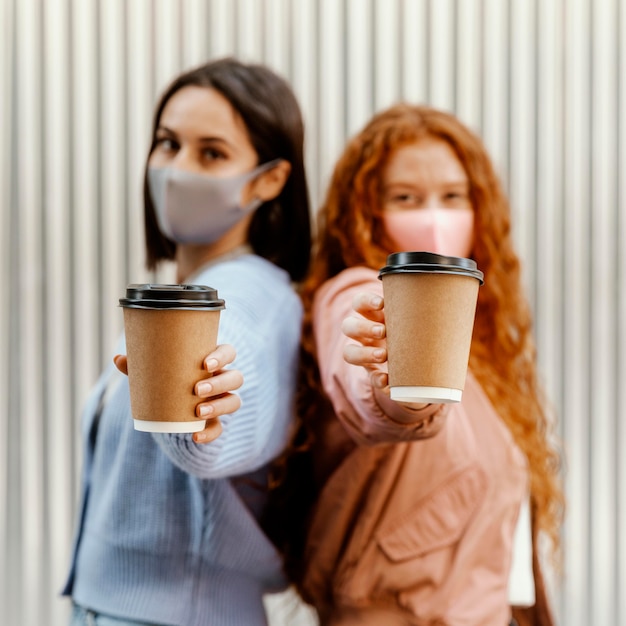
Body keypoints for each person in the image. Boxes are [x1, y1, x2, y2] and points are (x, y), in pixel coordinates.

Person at [267, 103, 563, 626]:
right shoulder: (357, 295)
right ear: (365, 210)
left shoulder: (478, 340)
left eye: (453, 197)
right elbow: (369, 389)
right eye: (406, 198)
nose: (433, 216)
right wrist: (397, 384)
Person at [62, 57, 312, 626]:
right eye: (168, 143)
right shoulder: (189, 293)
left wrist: (203, 415)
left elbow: (232, 380)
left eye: (212, 153)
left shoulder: (253, 295)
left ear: (271, 179)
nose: (177, 169)